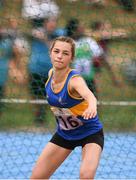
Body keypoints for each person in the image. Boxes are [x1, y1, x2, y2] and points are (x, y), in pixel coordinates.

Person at [30, 36, 104, 179]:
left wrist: (92, 106)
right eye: (56, 51)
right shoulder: (51, 74)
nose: (59, 56)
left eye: (65, 53)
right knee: (36, 177)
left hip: (90, 133)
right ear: (50, 53)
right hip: (65, 134)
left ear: (71, 58)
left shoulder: (74, 80)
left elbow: (90, 96)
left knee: (86, 175)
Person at [28, 16, 65, 123]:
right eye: (50, 22)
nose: (52, 24)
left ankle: (62, 120)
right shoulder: (37, 32)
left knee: (56, 96)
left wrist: (45, 39)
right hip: (37, 69)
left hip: (53, 71)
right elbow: (32, 33)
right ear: (45, 23)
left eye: (54, 22)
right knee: (37, 96)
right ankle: (39, 119)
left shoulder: (60, 33)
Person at [65, 18, 103, 96]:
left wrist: (97, 78)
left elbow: (98, 60)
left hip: (88, 80)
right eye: (80, 27)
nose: (83, 29)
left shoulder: (89, 41)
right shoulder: (67, 43)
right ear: (74, 30)